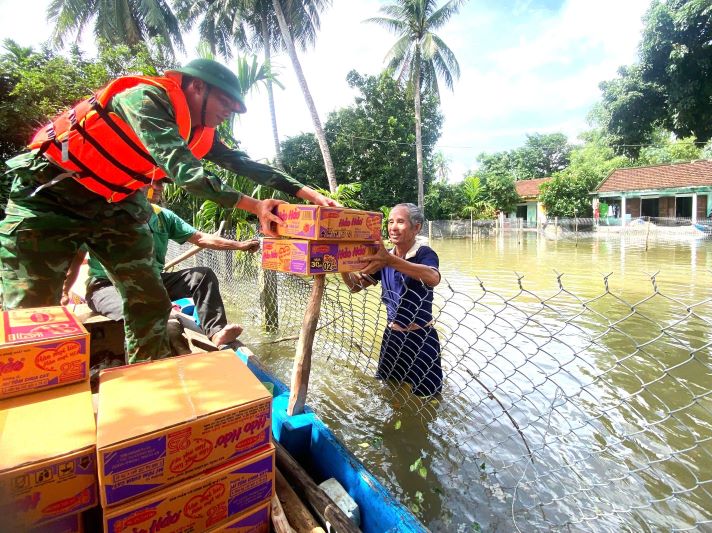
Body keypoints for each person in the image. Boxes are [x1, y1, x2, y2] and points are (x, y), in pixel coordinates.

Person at [0, 58, 337, 362]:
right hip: (50, 192)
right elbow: (184, 171)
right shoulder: (144, 98)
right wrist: (255, 206)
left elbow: (244, 164)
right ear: (197, 86)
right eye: (226, 101)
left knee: (150, 301)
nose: (230, 111)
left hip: (116, 203)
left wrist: (306, 192)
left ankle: (147, 379)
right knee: (31, 310)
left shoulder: (201, 132)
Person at [62, 181, 256, 354]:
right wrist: (64, 292)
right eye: (151, 182)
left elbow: (201, 238)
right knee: (144, 312)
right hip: (107, 286)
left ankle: (215, 332)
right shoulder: (108, 214)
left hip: (151, 281)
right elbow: (77, 259)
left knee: (202, 276)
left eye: (161, 183)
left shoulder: (163, 216)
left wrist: (241, 245)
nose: (158, 188)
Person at [341, 203, 443, 397]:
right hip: (392, 337)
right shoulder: (384, 256)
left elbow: (433, 278)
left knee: (427, 398)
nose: (393, 227)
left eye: (400, 222)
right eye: (390, 222)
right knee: (390, 391)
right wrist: (342, 266)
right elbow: (355, 287)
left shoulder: (423, 253)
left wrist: (390, 260)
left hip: (421, 338)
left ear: (417, 227)